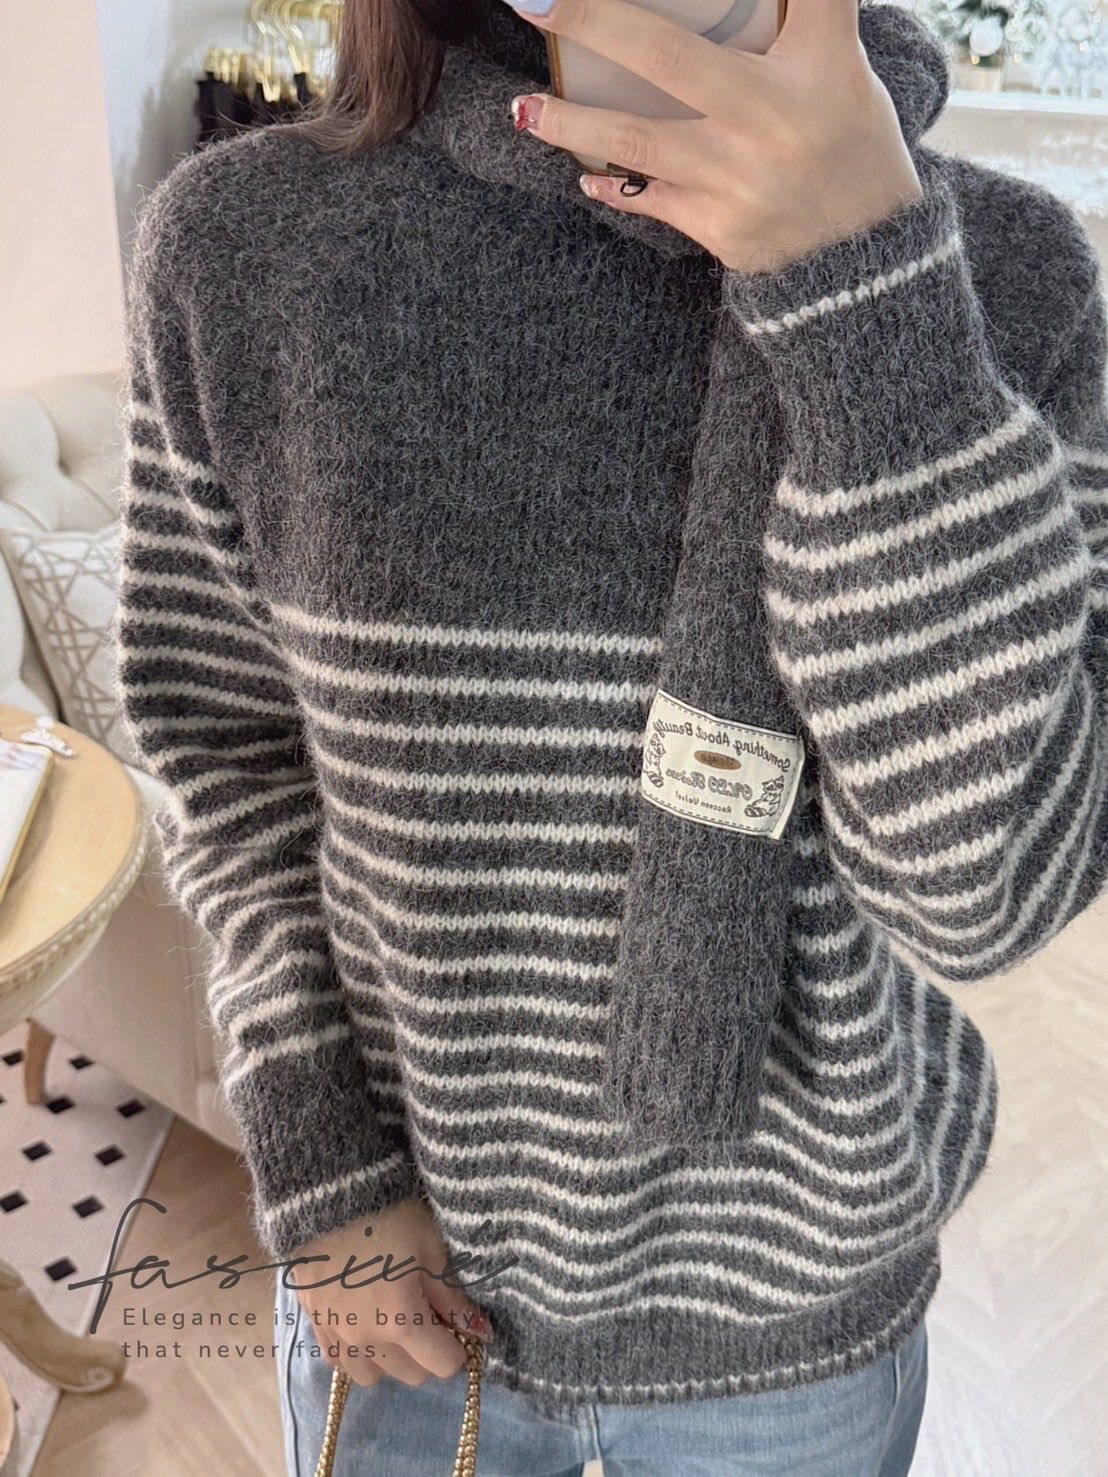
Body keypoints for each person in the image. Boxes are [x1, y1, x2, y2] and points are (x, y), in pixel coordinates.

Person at [113, 0, 1108, 1471]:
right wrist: (322, 1161)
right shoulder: (247, 244)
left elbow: (985, 894)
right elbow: (226, 753)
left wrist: (864, 286)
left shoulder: (1006, 271)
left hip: (797, 1313)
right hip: (399, 1282)